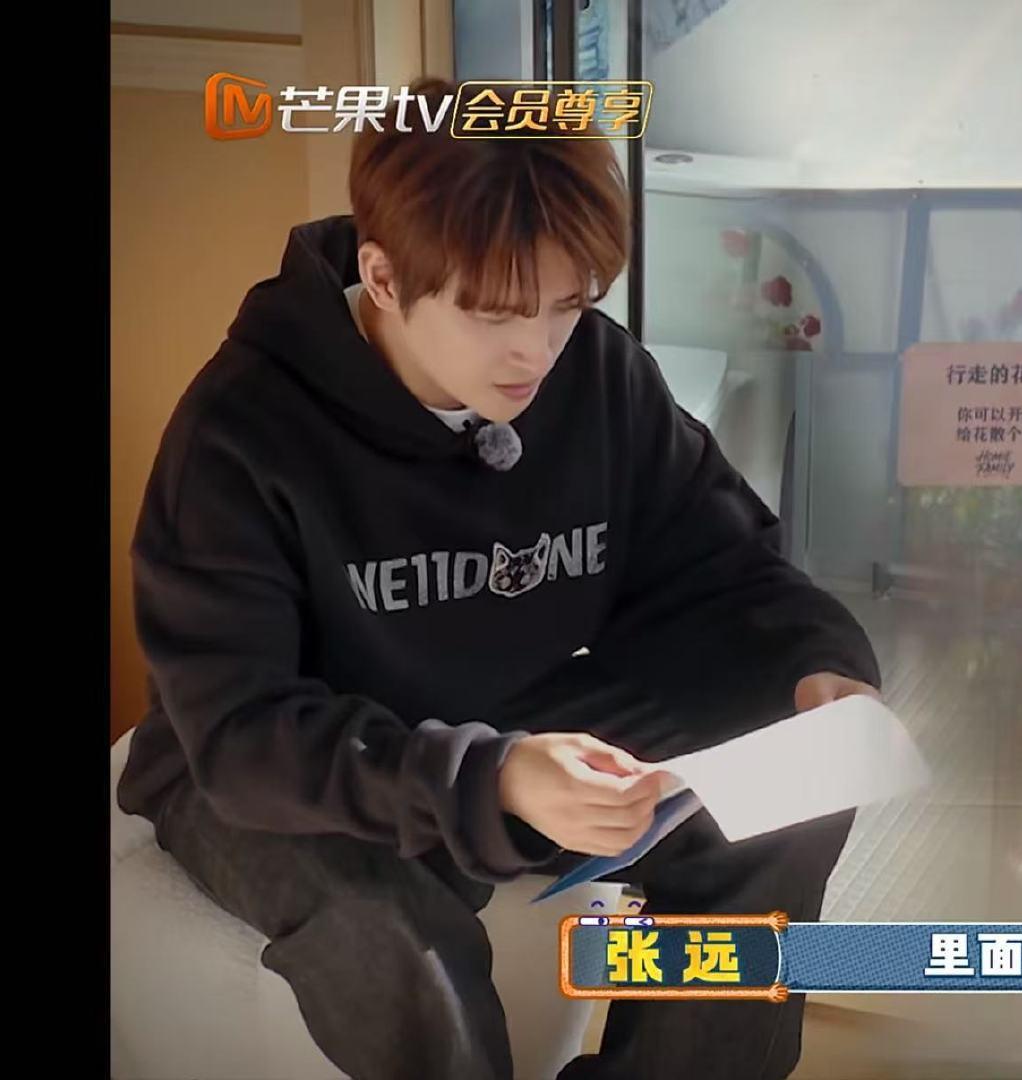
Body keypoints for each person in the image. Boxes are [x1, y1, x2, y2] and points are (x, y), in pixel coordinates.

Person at [115, 77, 880, 1080]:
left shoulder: (597, 375)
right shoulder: (241, 432)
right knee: (398, 940)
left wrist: (818, 664)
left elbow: (719, 570)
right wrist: (492, 777)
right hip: (273, 766)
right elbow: (242, 734)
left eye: (567, 304)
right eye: (494, 315)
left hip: (504, 717)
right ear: (384, 277)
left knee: (788, 794)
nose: (537, 350)